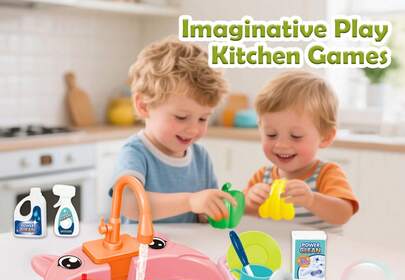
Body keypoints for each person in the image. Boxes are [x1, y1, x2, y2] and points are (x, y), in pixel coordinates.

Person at [112, 37, 235, 223]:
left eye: (203, 118)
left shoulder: (200, 157)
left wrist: (212, 210)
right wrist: (190, 201)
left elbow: (204, 216)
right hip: (143, 243)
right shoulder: (136, 152)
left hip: (188, 243)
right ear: (144, 106)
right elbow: (128, 204)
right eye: (181, 117)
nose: (193, 129)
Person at [244, 71, 359, 227]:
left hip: (316, 243)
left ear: (325, 137)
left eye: (296, 136)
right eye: (271, 135)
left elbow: (343, 214)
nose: (281, 145)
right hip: (274, 242)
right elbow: (239, 211)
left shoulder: (326, 174)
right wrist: (250, 202)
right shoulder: (262, 176)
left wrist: (312, 200)